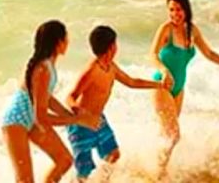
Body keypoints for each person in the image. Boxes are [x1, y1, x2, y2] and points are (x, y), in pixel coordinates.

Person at [150, 0, 219, 177]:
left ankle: (157, 170)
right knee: (174, 135)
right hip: (162, 85)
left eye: (178, 9)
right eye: (171, 10)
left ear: (186, 10)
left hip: (179, 89)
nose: (174, 14)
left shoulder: (192, 30)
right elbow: (153, 54)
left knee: (167, 133)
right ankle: (160, 175)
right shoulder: (165, 29)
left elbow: (209, 53)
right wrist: (164, 70)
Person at [2, 20, 99, 183]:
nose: (68, 42)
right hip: (15, 123)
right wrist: (76, 119)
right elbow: (41, 117)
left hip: (31, 122)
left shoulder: (49, 66)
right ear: (58, 42)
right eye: (66, 38)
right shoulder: (42, 69)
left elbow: (48, 99)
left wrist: (71, 116)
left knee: (65, 160)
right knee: (25, 180)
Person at [66, 25, 165, 182]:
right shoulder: (92, 71)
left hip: (99, 120)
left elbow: (132, 82)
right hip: (81, 125)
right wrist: (82, 114)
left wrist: (159, 85)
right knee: (83, 172)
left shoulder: (111, 67)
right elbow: (71, 97)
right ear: (111, 47)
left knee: (113, 154)